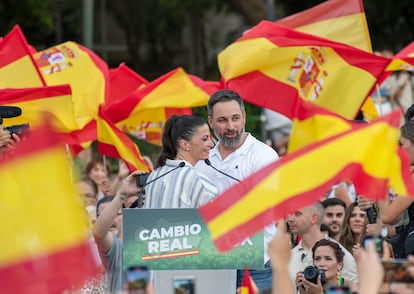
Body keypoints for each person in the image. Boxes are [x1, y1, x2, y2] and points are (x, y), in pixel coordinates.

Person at [196, 89, 279, 292]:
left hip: (254, 263)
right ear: (211, 122)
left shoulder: (263, 155)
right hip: (212, 263)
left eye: (235, 118)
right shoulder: (202, 158)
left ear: (244, 118)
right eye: (222, 120)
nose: (230, 126)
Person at [144, 114, 217, 208]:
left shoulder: (154, 174)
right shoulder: (199, 180)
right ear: (185, 144)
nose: (211, 144)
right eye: (205, 139)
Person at [287, 202, 358, 289]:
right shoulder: (288, 257)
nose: (290, 219)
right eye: (289, 214)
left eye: (297, 214)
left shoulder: (341, 254)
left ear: (313, 218)